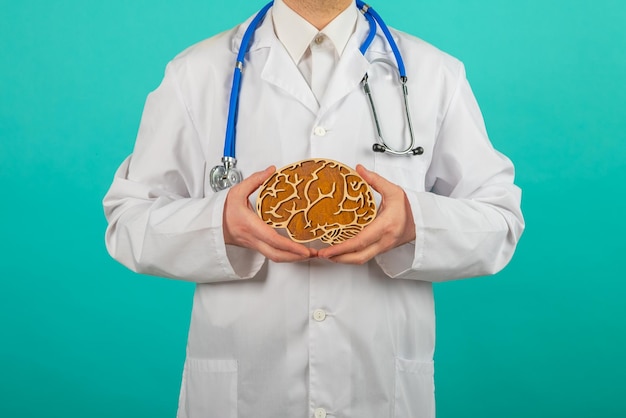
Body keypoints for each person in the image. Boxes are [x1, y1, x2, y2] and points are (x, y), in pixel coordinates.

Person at [103, 0, 525, 417]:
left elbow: (500, 221)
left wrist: (414, 222)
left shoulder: (434, 74)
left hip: (379, 392)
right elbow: (128, 221)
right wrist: (219, 226)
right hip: (244, 397)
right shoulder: (196, 73)